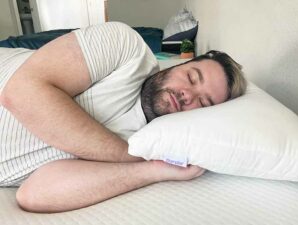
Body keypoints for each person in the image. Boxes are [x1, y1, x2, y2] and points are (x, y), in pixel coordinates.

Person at [0, 22, 247, 213]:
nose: (187, 94)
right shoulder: (126, 47)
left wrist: (153, 171)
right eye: (192, 78)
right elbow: (20, 93)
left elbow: (33, 194)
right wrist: (127, 157)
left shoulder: (153, 144)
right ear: (177, 65)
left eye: (202, 102)